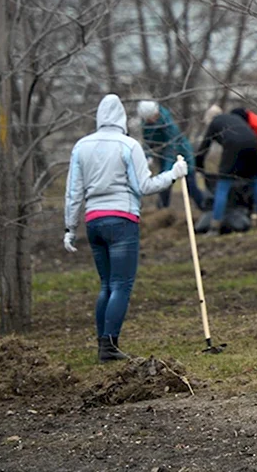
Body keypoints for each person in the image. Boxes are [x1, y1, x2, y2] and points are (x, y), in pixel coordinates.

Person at [64, 94, 188, 362]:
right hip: (122, 221)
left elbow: (73, 192)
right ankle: (109, 346)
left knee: (106, 284)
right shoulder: (128, 145)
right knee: (121, 284)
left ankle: (103, 344)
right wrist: (174, 174)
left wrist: (69, 228)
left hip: (94, 222)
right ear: (122, 117)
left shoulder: (81, 146)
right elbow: (144, 187)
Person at [196, 105, 257, 234]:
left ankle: (215, 226)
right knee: (255, 181)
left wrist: (198, 166)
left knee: (223, 185)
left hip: (234, 148)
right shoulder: (233, 117)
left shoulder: (214, 123)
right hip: (254, 145)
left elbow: (204, 148)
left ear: (209, 119)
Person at [137, 101, 206, 210]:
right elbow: (147, 141)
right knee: (164, 188)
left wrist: (169, 172)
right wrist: (147, 156)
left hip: (182, 154)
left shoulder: (167, 123)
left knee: (191, 186)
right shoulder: (146, 124)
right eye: (148, 119)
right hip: (164, 155)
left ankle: (204, 207)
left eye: (153, 117)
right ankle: (162, 211)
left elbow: (172, 148)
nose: (151, 120)